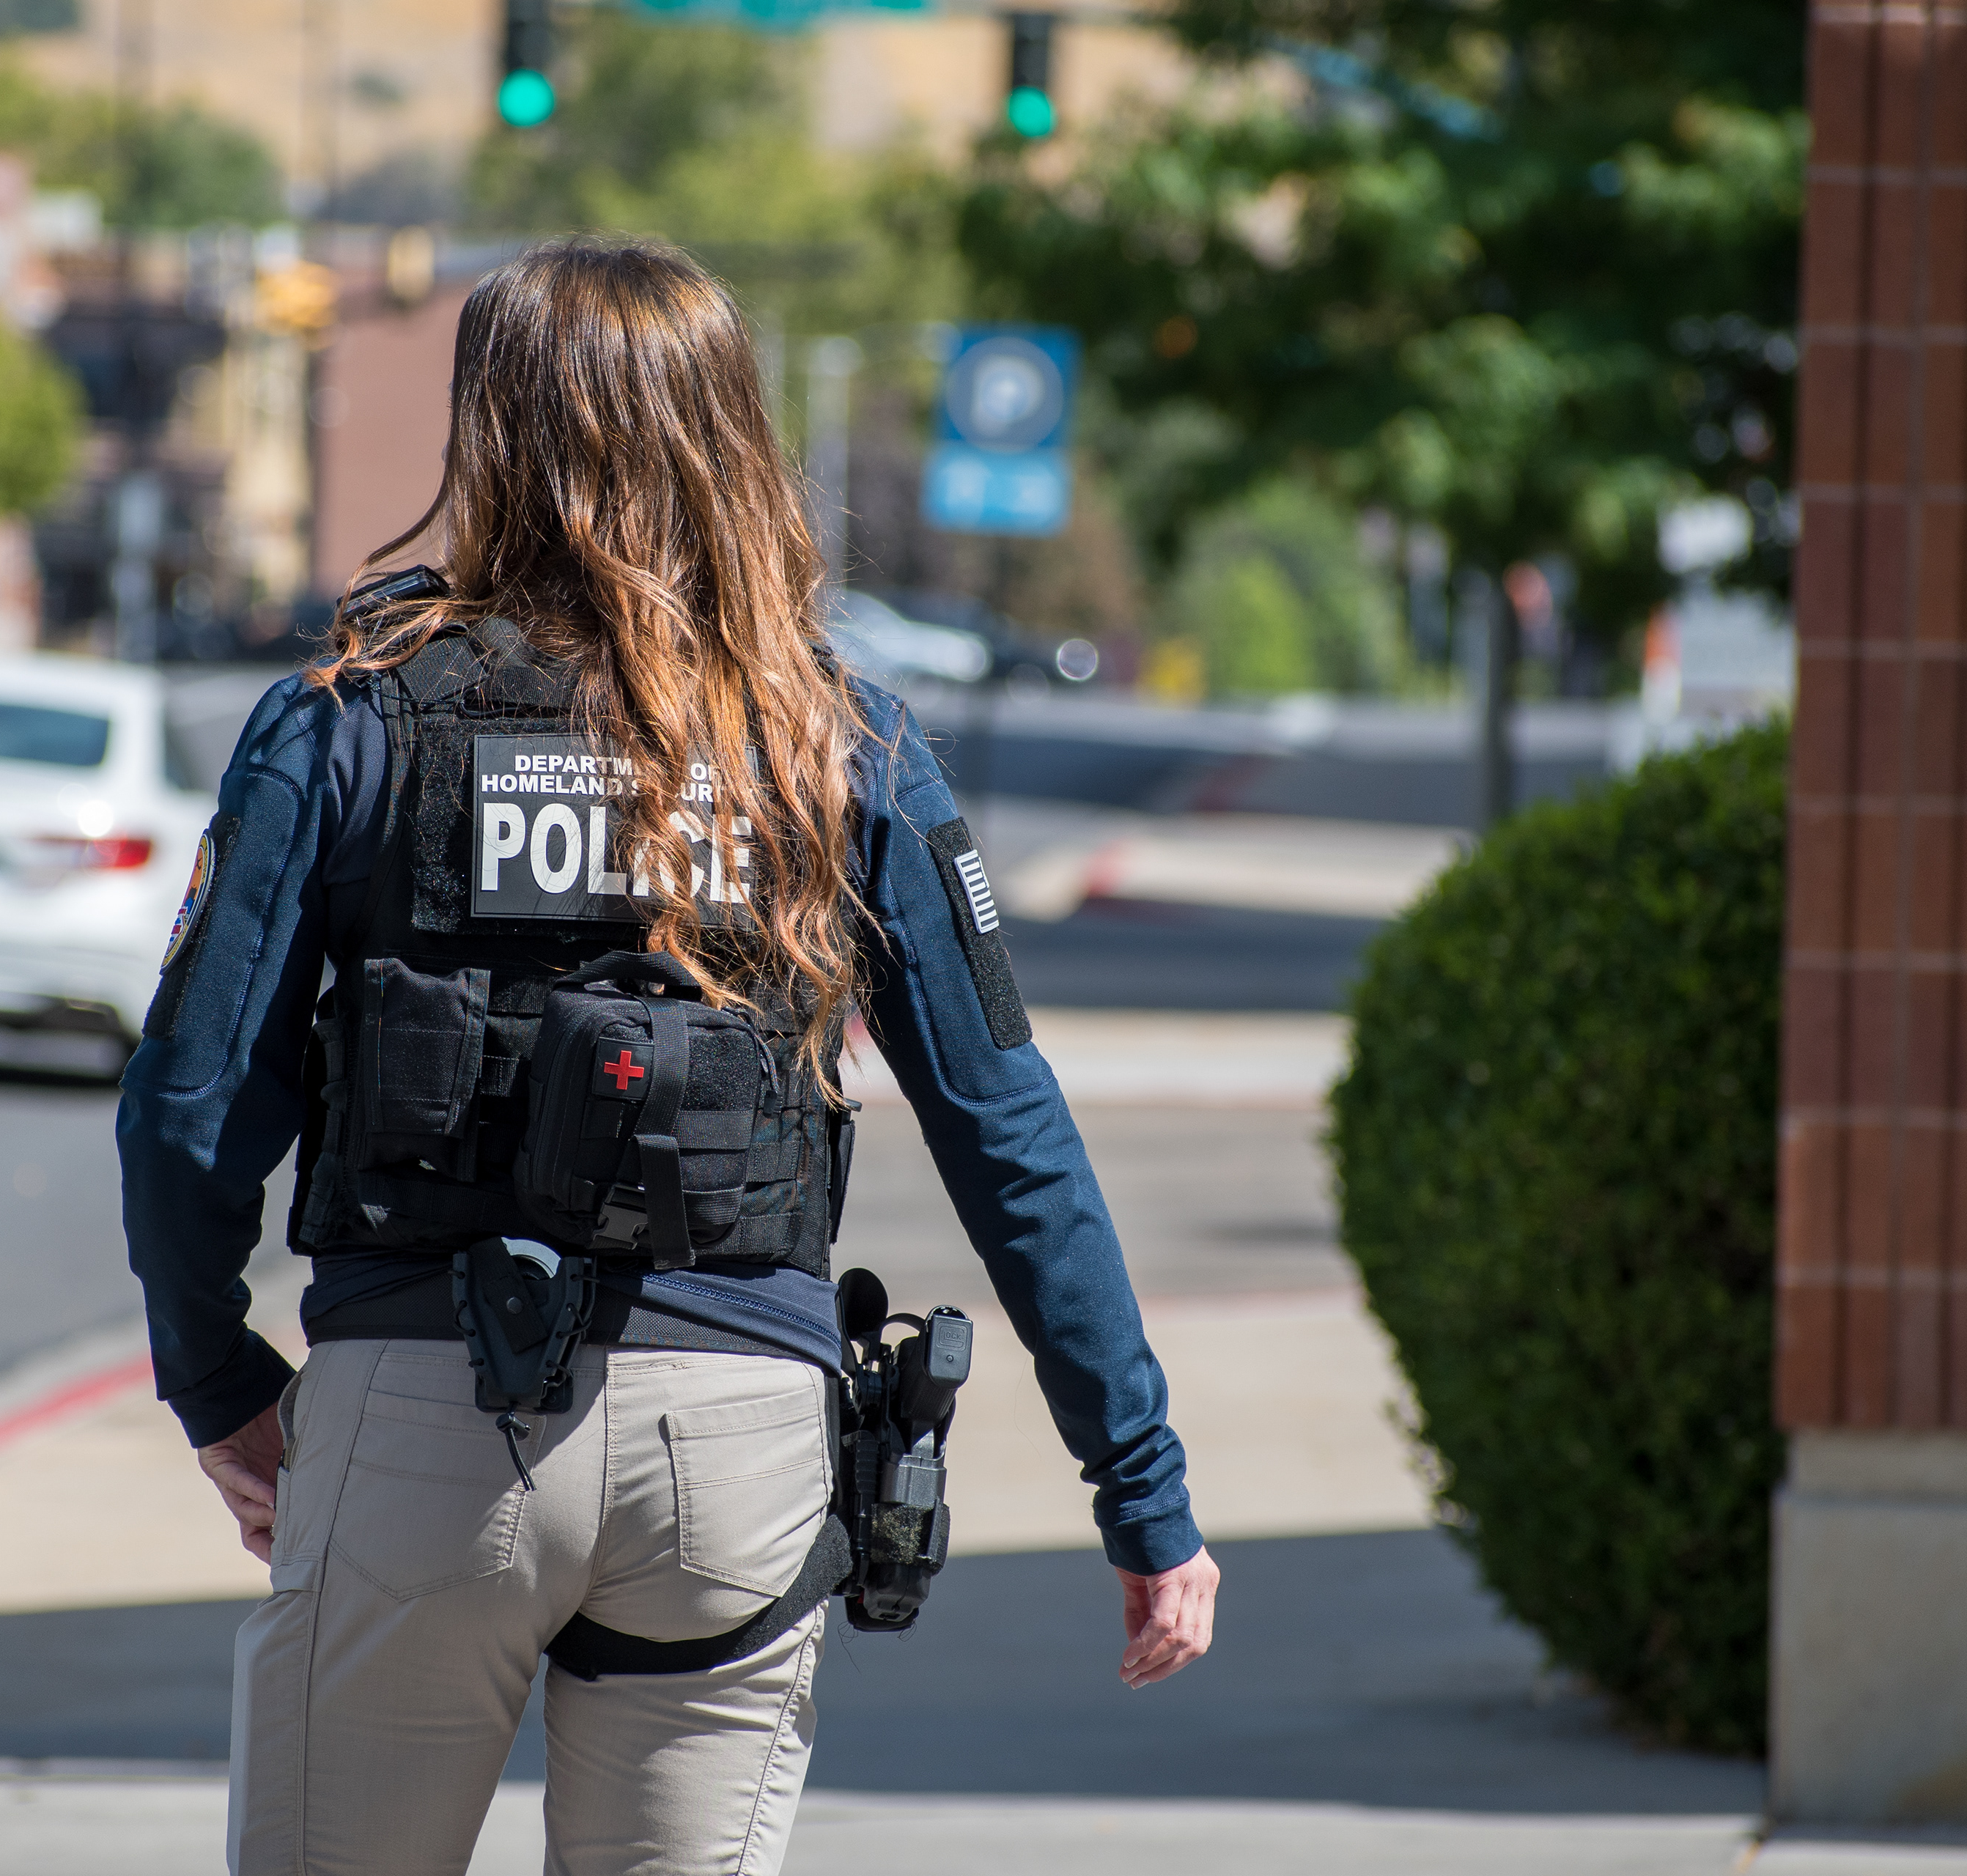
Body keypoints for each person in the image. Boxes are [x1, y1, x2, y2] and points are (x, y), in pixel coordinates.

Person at [118, 237, 1218, 1876]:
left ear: (491, 430)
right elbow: (1008, 1129)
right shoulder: (841, 743)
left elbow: (191, 1109)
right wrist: (1141, 1483)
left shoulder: (348, 714)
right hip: (737, 1450)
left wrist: (216, 1378)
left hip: (421, 1425)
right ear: (733, 434)